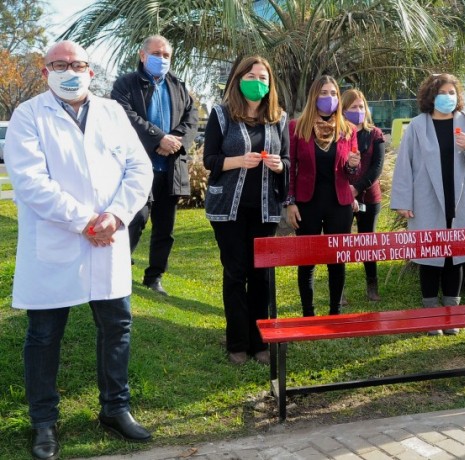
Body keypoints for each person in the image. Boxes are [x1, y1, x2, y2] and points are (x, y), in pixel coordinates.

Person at [5, 41, 154, 459]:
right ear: (44, 70)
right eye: (60, 64)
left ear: (92, 71)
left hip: (108, 239)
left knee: (117, 327)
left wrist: (117, 215)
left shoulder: (111, 112)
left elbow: (139, 169)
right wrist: (86, 221)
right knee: (44, 335)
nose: (71, 71)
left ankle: (115, 409)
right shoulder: (28, 115)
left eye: (79, 64)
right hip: (57, 242)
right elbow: (31, 181)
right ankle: (44, 423)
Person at [203, 56, 289, 365]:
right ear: (239, 79)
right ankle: (238, 343)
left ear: (270, 84)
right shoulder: (222, 115)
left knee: (262, 276)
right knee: (236, 273)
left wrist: (280, 164)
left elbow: (288, 160)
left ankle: (260, 341)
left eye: (263, 77)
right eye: (252, 75)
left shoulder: (278, 118)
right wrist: (239, 161)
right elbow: (210, 160)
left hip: (265, 210)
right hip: (228, 211)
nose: (258, 81)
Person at [390, 73, 465, 335]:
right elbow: (404, 166)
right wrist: (403, 200)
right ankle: (431, 314)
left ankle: (453, 315)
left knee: (454, 257)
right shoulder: (416, 126)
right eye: (442, 92)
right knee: (429, 257)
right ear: (431, 96)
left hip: (460, 200)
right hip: (427, 199)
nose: (448, 97)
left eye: (452, 92)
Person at [111, 35, 198, 296]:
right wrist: (158, 137)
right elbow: (125, 115)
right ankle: (118, 268)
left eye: (166, 55)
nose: (162, 59)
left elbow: (191, 120)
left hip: (170, 169)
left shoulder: (179, 86)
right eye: (156, 53)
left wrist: (173, 143)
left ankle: (154, 276)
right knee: (135, 219)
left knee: (165, 228)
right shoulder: (125, 84)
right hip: (137, 166)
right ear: (142, 55)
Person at [286, 76, 360, 317]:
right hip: (307, 204)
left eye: (334, 93)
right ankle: (308, 313)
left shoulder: (348, 130)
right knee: (306, 261)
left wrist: (352, 165)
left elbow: (352, 173)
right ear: (314, 96)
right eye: (324, 93)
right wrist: (291, 202)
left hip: (339, 204)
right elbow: (290, 168)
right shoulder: (297, 127)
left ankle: (335, 313)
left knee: (336, 261)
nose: (330, 98)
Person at [341, 88, 386, 301]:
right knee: (341, 244)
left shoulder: (375, 134)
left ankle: (372, 287)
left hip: (369, 196)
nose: (358, 111)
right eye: (353, 107)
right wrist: (347, 192)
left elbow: (376, 167)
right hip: (341, 198)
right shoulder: (338, 134)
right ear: (343, 110)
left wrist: (356, 189)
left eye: (361, 106)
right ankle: (339, 291)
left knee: (368, 243)